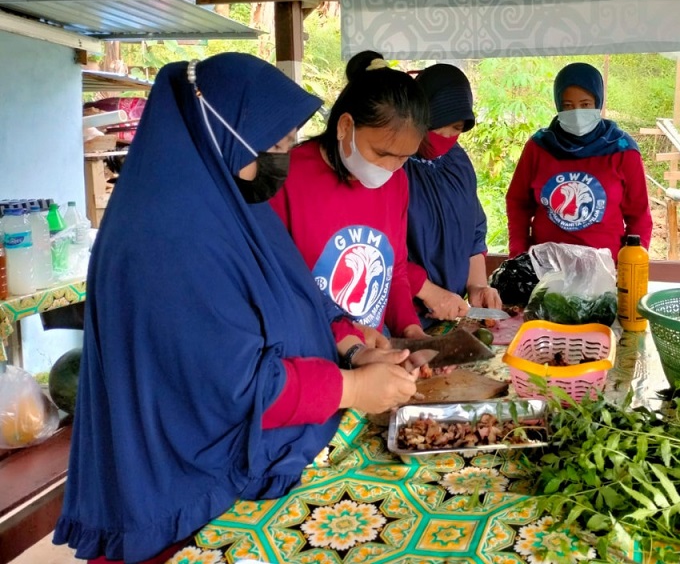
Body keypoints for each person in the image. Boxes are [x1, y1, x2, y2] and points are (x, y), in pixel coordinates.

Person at [54, 54, 419, 564]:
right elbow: (232, 387)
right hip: (186, 497)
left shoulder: (230, 200)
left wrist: (349, 344)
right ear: (219, 130)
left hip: (244, 466)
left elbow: (293, 292)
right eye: (273, 145)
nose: (284, 160)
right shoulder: (167, 237)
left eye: (290, 144)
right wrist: (353, 389)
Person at [271, 55, 432, 340]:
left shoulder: (397, 183)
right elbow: (276, 285)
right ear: (346, 126)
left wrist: (411, 330)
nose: (390, 168)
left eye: (403, 158)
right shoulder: (288, 178)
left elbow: (394, 271)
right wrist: (349, 342)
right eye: (381, 154)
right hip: (308, 358)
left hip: (375, 352)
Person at [506, 62, 652, 260]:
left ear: (597, 102)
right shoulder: (539, 147)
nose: (576, 112)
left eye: (585, 104)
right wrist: (519, 253)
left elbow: (639, 216)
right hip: (546, 268)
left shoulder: (622, 149)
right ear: (558, 105)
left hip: (605, 269)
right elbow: (518, 203)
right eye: (567, 106)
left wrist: (629, 265)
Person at [405, 63, 501, 321]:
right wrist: (429, 293)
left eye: (456, 128)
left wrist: (477, 286)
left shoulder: (457, 162)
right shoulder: (394, 166)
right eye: (437, 125)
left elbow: (473, 231)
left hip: (453, 313)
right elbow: (384, 250)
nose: (446, 136)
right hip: (404, 316)